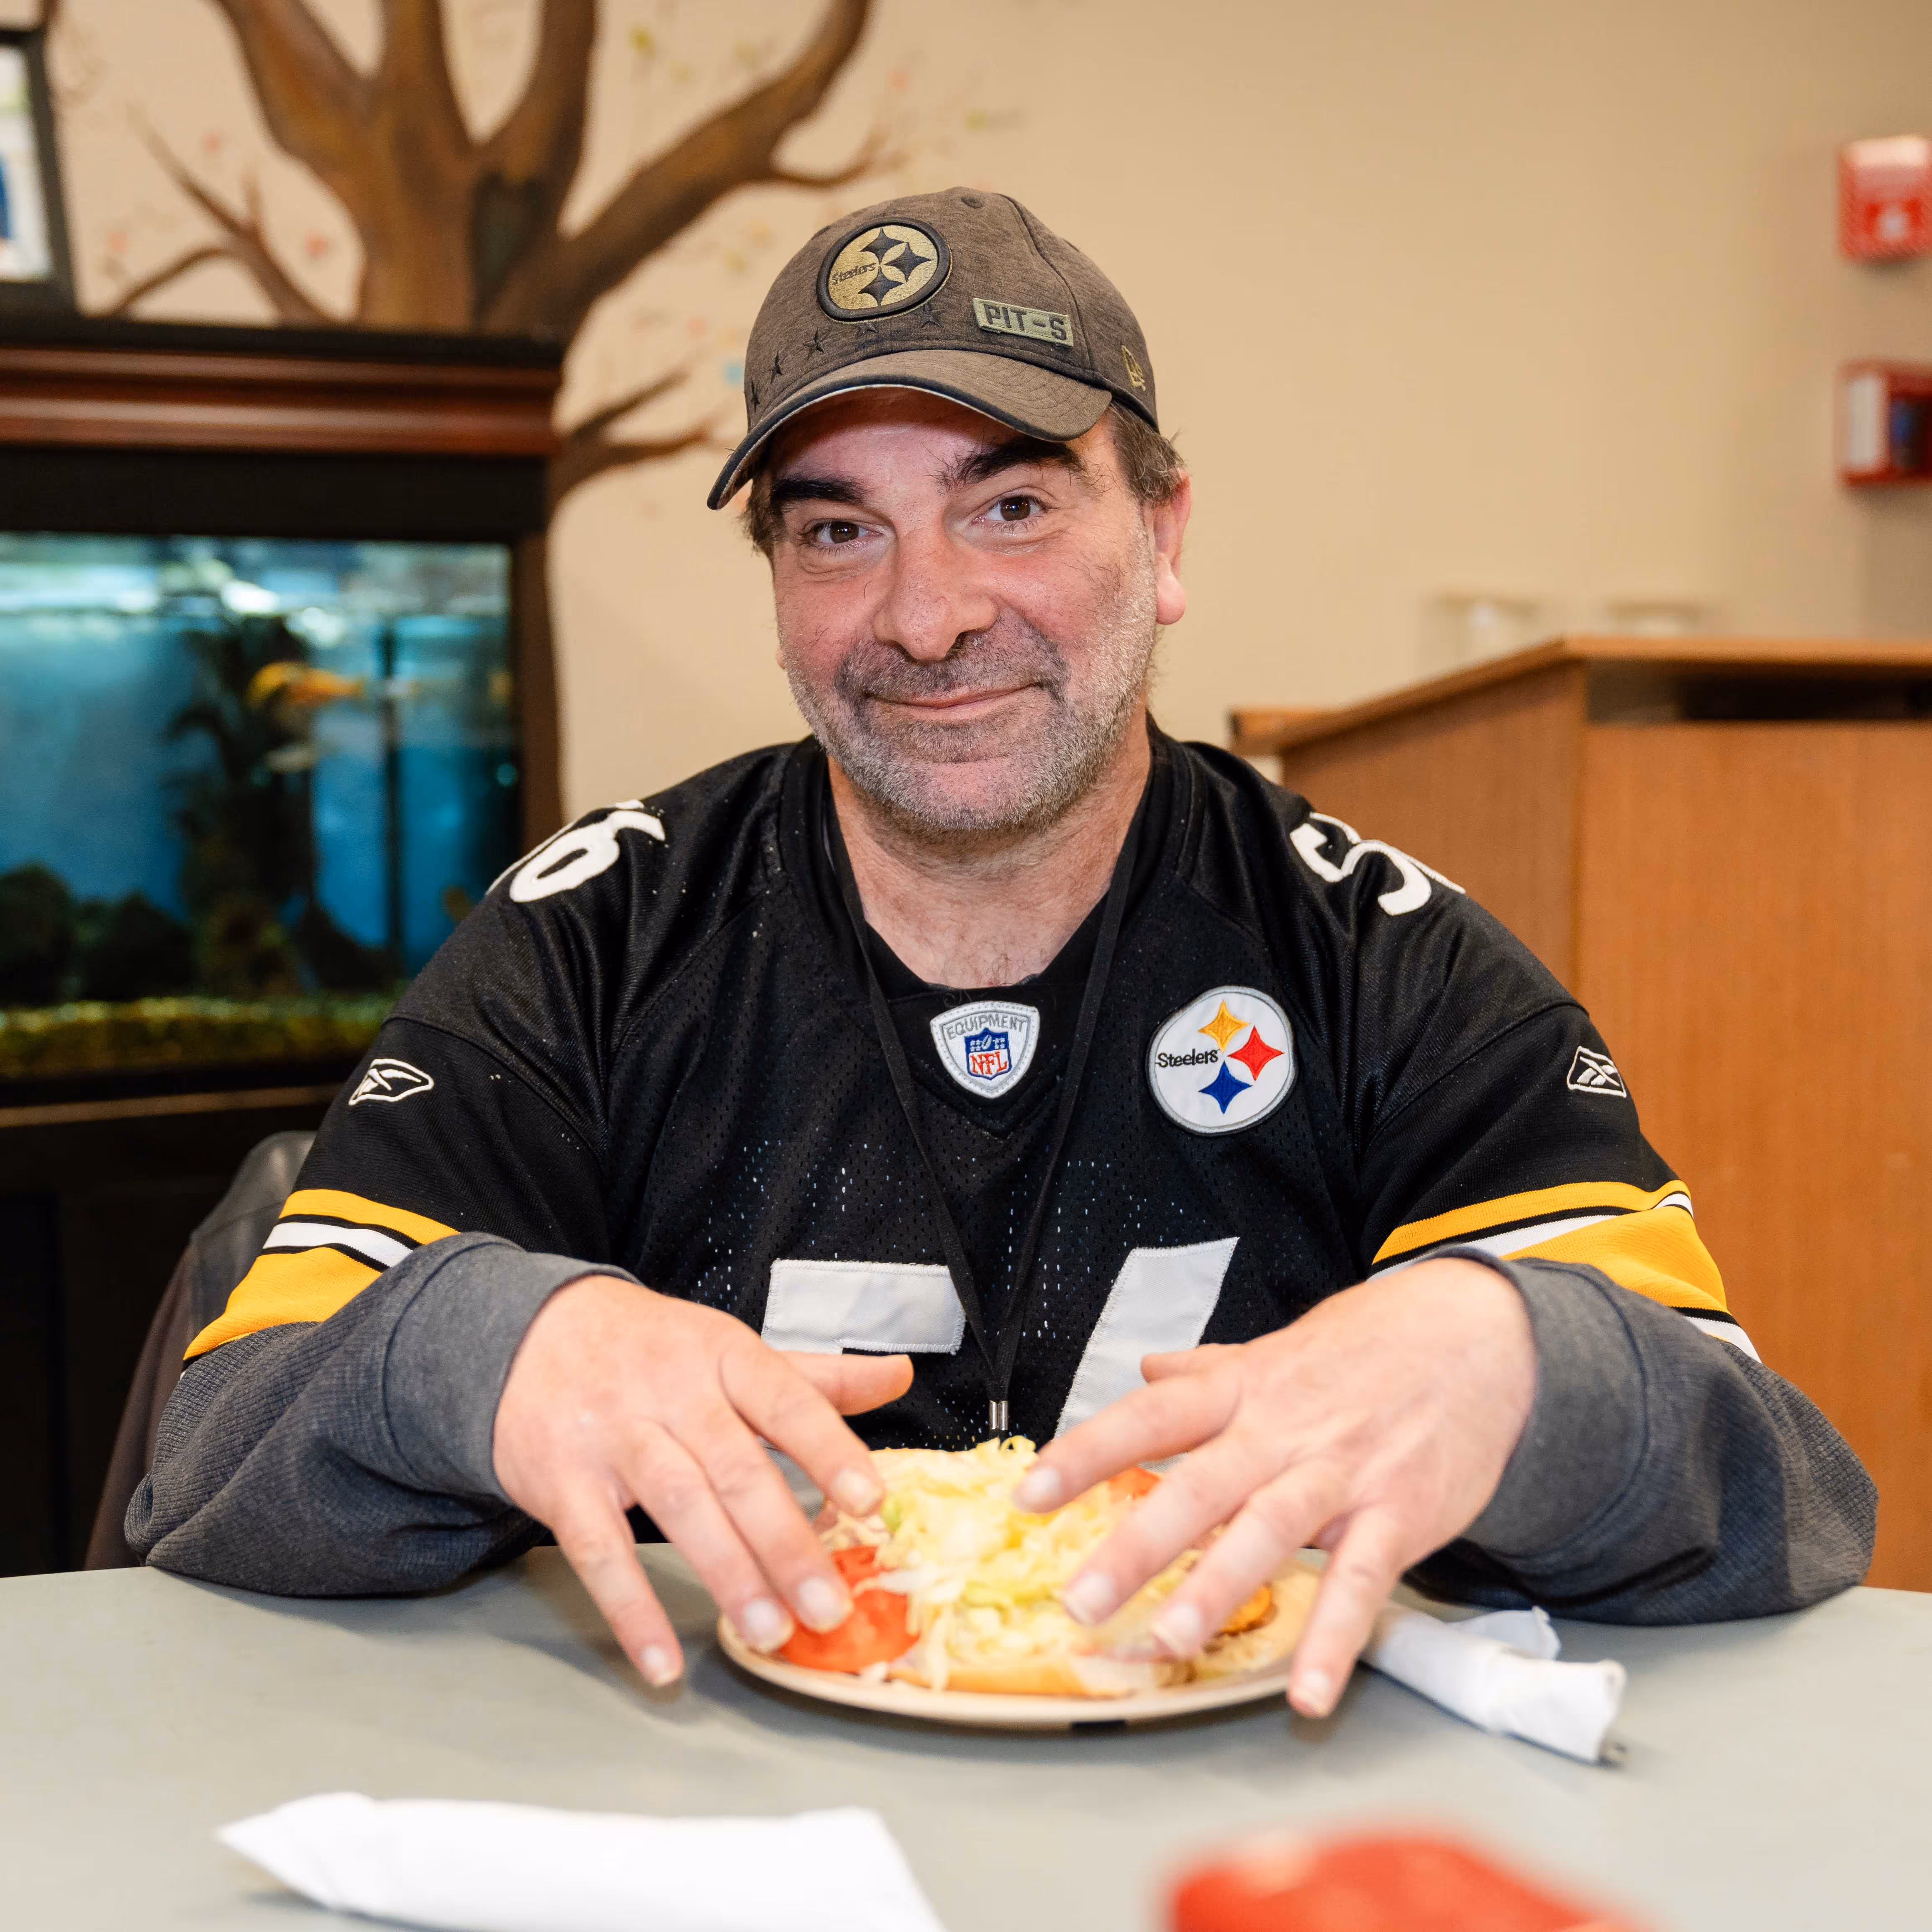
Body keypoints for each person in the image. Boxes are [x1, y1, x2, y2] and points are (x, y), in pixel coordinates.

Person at [130, 191, 1873, 1717]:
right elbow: (204, 1471)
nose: (926, 610)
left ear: (1167, 533)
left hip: (1241, 1822)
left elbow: (1778, 1489)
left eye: (1012, 507)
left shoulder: (1380, 961)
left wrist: (1522, 1360)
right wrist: (487, 1347)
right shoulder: (594, 938)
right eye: (836, 530)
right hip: (697, 1827)